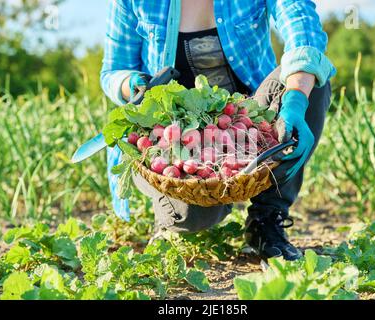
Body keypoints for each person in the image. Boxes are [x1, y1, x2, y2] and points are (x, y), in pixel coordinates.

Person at [100, 0, 335, 261]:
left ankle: (266, 219)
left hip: (247, 121)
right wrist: (131, 83)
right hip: (177, 138)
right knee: (194, 217)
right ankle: (171, 223)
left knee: (307, 78)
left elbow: (300, 22)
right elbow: (112, 71)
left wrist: (295, 100)